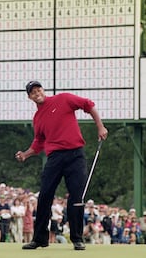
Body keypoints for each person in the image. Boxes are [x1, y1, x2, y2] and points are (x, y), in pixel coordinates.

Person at [15, 81, 108, 251]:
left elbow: (88, 105)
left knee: (76, 197)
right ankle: (39, 239)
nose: (37, 93)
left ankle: (77, 239)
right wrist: (25, 154)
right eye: (33, 92)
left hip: (75, 155)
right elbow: (39, 142)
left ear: (43, 90)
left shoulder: (63, 99)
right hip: (55, 158)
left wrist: (100, 126)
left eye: (38, 89)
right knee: (44, 195)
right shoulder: (37, 118)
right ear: (29, 97)